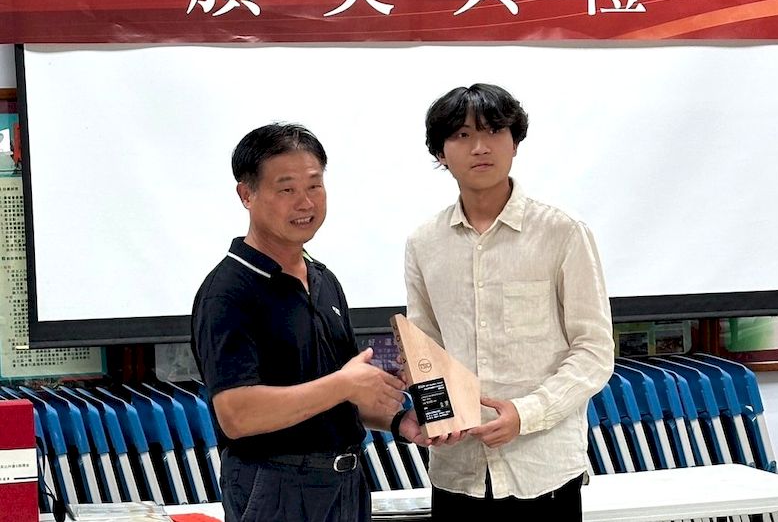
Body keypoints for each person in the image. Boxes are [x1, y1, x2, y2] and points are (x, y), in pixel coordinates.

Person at [394, 83, 615, 519]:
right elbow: (427, 350)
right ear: (440, 153)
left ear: (515, 143)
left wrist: (525, 414)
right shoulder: (424, 242)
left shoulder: (563, 232)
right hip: (457, 470)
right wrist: (435, 414)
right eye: (462, 135)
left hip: (541, 469)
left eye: (494, 131)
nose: (480, 147)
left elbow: (594, 351)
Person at [191, 123, 406, 522]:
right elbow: (237, 415)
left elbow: (343, 395)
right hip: (275, 486)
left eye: (314, 185)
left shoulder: (324, 280)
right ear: (246, 194)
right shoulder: (228, 291)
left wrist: (402, 422)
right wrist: (344, 384)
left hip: (348, 483)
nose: (305, 202)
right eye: (287, 189)